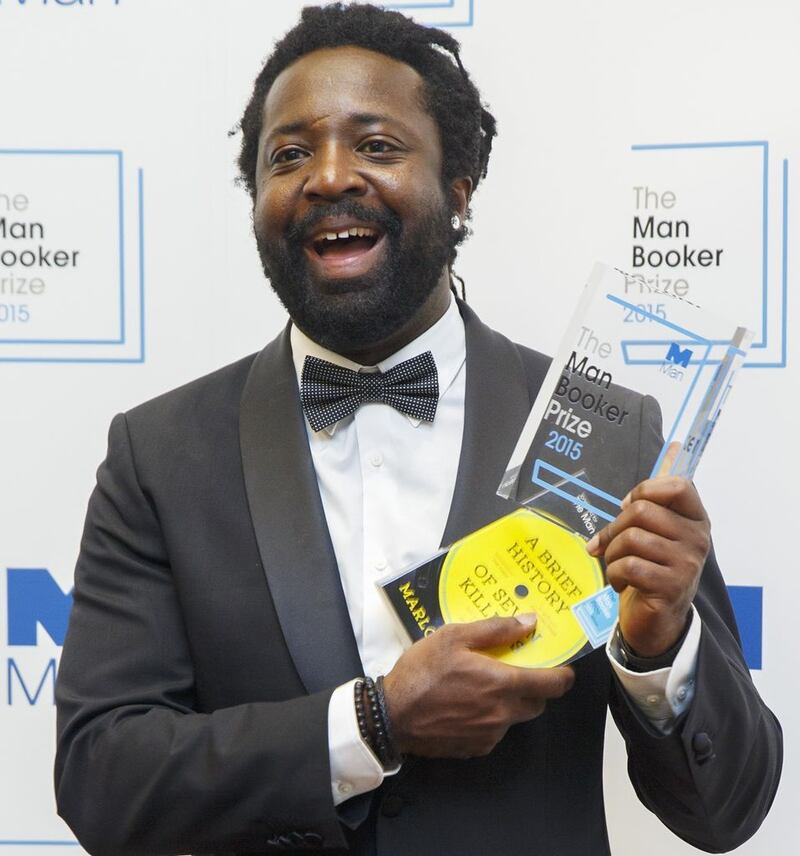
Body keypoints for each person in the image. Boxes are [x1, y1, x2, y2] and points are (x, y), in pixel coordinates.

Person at [54, 4, 782, 855]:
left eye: (376, 145)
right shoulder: (160, 454)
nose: (329, 177)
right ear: (258, 201)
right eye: (289, 154)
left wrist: (662, 649)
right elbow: (102, 779)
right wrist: (371, 723)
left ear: (460, 191)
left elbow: (726, 812)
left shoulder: (604, 432)